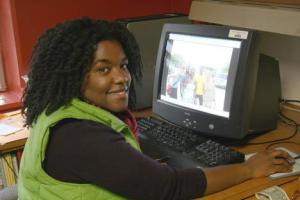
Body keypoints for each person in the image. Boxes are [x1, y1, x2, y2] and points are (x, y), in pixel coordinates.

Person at [18, 18, 294, 200]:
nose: (121, 77)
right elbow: (167, 187)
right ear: (72, 76)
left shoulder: (59, 110)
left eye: (123, 66)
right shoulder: (82, 137)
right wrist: (249, 168)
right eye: (103, 69)